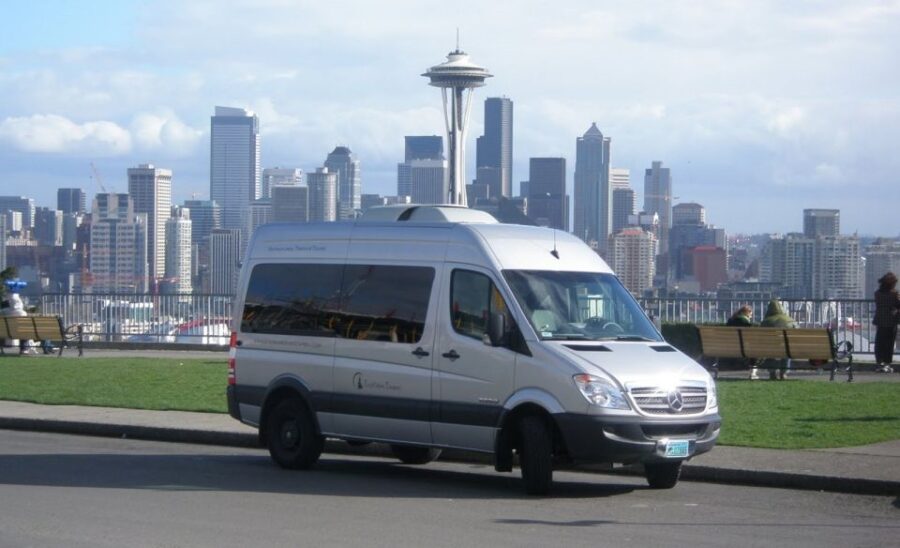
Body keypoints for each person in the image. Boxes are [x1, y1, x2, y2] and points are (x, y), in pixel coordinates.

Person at [760, 299, 795, 380]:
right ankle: (783, 372)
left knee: (768, 350)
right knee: (787, 350)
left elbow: (761, 337)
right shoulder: (790, 320)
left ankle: (772, 372)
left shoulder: (765, 322)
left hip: (770, 348)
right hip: (786, 348)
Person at [873, 272, 899, 373]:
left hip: (880, 320)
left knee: (879, 343)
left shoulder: (877, 293)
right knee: (889, 343)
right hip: (891, 321)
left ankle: (879, 363)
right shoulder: (895, 294)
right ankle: (887, 363)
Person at [726, 305, 758, 379]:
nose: (751, 316)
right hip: (742, 347)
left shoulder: (731, 320)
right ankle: (753, 372)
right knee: (755, 350)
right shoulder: (744, 322)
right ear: (746, 313)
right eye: (751, 314)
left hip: (728, 346)